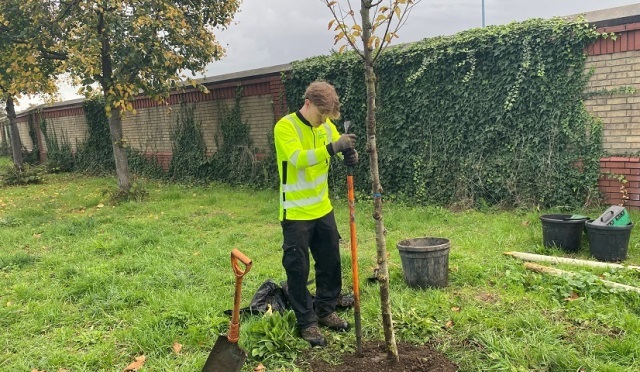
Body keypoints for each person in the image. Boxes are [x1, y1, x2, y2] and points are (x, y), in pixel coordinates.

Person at [273, 81, 359, 347]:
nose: (323, 122)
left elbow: (335, 143)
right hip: (296, 211)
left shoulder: (325, 126)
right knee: (298, 268)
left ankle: (325, 307)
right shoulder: (285, 126)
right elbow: (298, 159)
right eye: (321, 116)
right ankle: (307, 321)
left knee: (330, 260)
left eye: (327, 118)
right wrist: (333, 148)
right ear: (307, 103)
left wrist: (348, 152)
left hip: (323, 208)